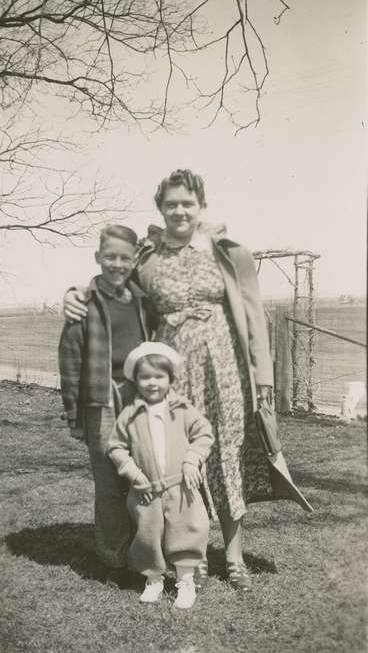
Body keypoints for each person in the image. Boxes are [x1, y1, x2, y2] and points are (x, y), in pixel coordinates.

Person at [63, 169, 312, 591]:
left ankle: (233, 557)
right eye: (171, 204)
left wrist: (264, 377)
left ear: (201, 206)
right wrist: (76, 293)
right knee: (176, 460)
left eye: (187, 203)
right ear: (161, 208)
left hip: (226, 370)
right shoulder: (148, 257)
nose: (179, 210)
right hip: (170, 373)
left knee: (229, 456)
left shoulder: (229, 252)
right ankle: (187, 553)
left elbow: (254, 318)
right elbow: (114, 284)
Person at [58, 224, 155, 577]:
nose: (117, 264)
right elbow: (69, 361)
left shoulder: (143, 301)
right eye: (110, 256)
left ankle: (145, 551)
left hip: (140, 397)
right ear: (98, 257)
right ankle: (113, 556)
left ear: (134, 261)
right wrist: (74, 415)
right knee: (109, 480)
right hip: (102, 399)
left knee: (142, 472)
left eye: (124, 258)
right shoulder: (84, 303)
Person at [108, 342, 214, 609]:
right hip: (145, 489)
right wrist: (132, 473)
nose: (152, 383)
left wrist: (192, 461)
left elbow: (204, 434)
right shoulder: (130, 415)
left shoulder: (182, 409)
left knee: (187, 531)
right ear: (136, 380)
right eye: (145, 377)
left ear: (170, 379)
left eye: (159, 377)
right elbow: (116, 447)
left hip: (181, 487)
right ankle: (153, 579)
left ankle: (185, 581)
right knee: (147, 534)